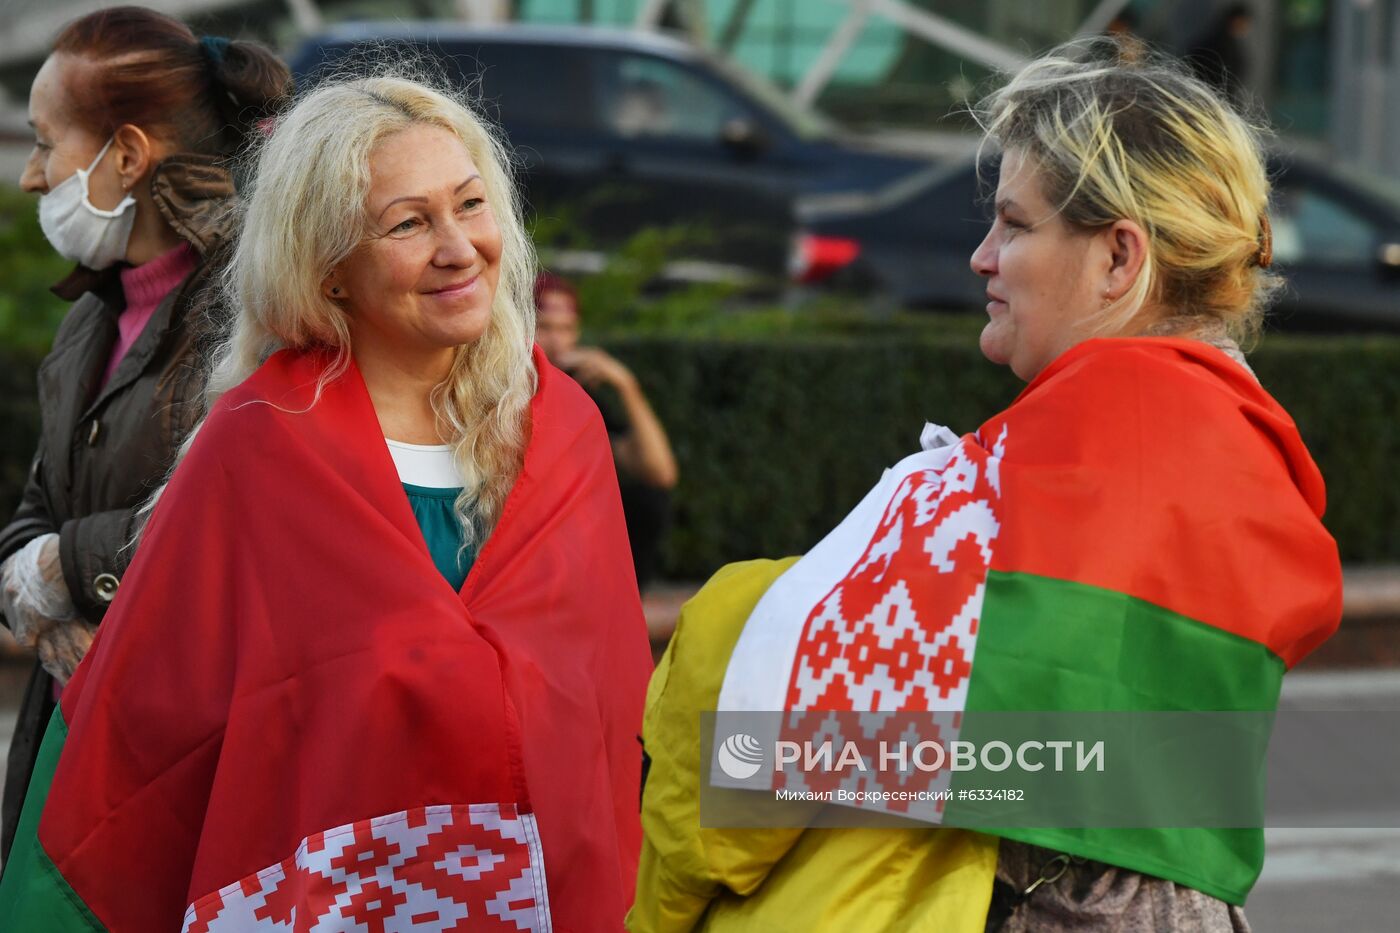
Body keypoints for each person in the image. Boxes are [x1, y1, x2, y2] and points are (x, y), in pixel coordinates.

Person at [629, 39, 1341, 932]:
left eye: (1014, 223)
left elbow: (757, 749)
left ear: (1120, 258)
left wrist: (736, 606)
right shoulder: (1249, 449)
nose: (982, 256)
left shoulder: (1060, 455)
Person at [0, 73, 652, 930]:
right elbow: (142, 735)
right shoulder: (260, 445)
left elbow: (614, 712)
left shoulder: (563, 428)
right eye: (409, 223)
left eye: (470, 205)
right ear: (329, 268)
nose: (460, 247)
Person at [0, 5, 289, 863]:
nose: (30, 175)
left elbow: (232, 525)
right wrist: (37, 585)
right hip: (74, 741)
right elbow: (30, 512)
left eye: (46, 142)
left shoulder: (255, 318)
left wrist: (60, 566)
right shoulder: (87, 319)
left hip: (189, 763)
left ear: (126, 154)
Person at [535, 273, 679, 587]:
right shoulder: (504, 390)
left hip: (572, 541)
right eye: (545, 328)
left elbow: (660, 473)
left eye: (567, 329)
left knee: (646, 501)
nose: (558, 342)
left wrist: (627, 385)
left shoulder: (582, 397)